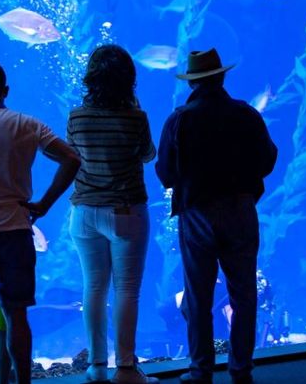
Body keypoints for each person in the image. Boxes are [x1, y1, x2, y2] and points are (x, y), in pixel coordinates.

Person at [0, 60, 81, 384]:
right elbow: (71, 158)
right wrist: (46, 203)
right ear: (6, 91)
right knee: (16, 313)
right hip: (15, 228)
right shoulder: (25, 124)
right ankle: (22, 382)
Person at [156, 49, 278, 384]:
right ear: (222, 76)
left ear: (192, 81)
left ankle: (201, 371)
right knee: (243, 293)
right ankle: (241, 370)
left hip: (196, 213)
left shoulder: (180, 119)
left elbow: (165, 172)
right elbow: (268, 160)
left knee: (198, 295)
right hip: (240, 208)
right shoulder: (246, 115)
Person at [67, 45, 158, 384]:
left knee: (93, 287)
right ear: (128, 80)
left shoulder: (76, 117)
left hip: (85, 211)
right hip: (125, 211)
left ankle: (95, 366)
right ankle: (125, 367)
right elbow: (148, 155)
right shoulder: (136, 118)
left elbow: (73, 155)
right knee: (127, 290)